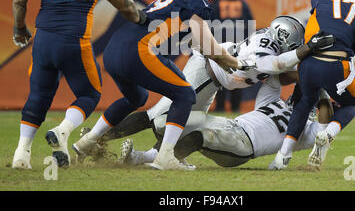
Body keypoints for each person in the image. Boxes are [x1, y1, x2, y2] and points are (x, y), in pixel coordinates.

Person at [75, 16, 334, 167]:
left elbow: (280, 72)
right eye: (295, 44)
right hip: (207, 72)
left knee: (179, 122)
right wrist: (308, 50)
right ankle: (95, 140)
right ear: (288, 39)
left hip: (214, 79)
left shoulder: (270, 44)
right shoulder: (268, 51)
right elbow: (275, 65)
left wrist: (311, 74)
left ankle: (148, 156)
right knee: (160, 118)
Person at [72, 0, 256, 171]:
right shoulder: (195, 0)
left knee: (136, 98)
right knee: (185, 95)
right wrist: (239, 64)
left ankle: (88, 140)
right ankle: (165, 156)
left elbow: (197, 43)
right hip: (138, 50)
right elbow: (210, 49)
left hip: (114, 50)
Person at [11, 0, 147, 170]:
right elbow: (122, 2)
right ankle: (63, 130)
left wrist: (19, 28)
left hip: (43, 40)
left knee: (39, 96)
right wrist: (142, 18)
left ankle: (21, 154)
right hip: (75, 42)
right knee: (89, 93)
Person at [270, 0, 355, 170]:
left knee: (305, 102)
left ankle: (282, 157)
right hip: (337, 65)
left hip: (307, 64)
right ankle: (328, 133)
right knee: (352, 103)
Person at [120, 92, 334, 169]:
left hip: (242, 147)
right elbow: (274, 78)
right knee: (169, 121)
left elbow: (323, 126)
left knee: (201, 137)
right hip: (229, 124)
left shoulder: (306, 130)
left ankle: (157, 163)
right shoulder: (275, 101)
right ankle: (140, 157)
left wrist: (322, 91)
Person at [210, 0, 254, 112]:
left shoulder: (216, 3)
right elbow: (250, 25)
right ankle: (236, 109)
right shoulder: (242, 2)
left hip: (221, 45)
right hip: (240, 46)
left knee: (220, 76)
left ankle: (220, 108)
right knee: (238, 76)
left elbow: (209, 25)